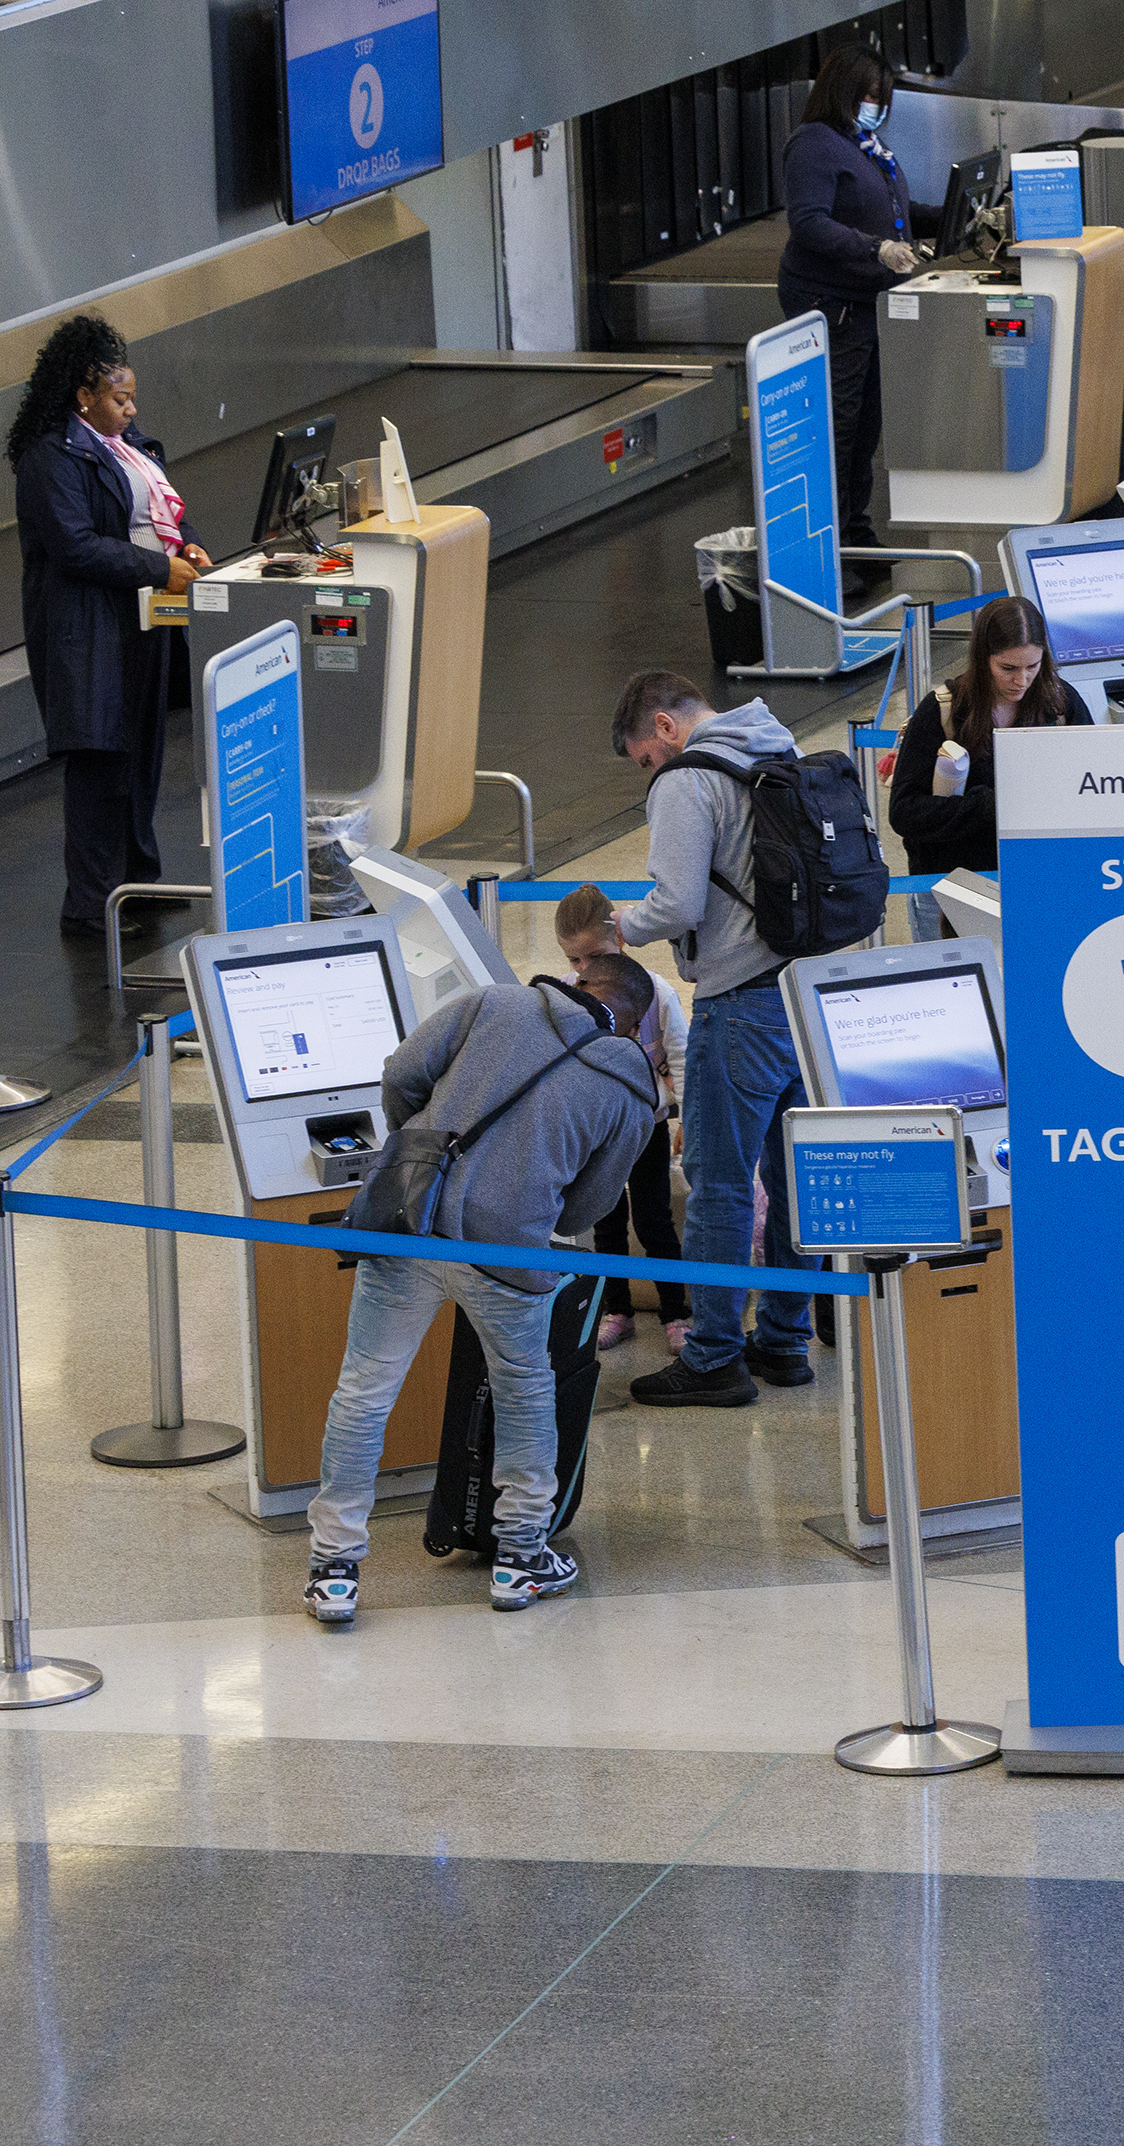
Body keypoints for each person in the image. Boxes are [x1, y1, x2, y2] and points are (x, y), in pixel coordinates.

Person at [301, 957, 664, 1623]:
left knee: (365, 1388)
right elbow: (589, 1206)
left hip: (409, 1227)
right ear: (637, 1023)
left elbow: (400, 1075)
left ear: (579, 981)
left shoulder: (494, 1002)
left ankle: (334, 1567)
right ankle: (520, 1556)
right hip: (506, 1248)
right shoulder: (633, 1085)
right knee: (524, 1389)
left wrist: (424, 1150)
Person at [607, 670, 827, 1406]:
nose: (650, 773)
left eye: (644, 759)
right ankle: (785, 1342)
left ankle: (712, 1355)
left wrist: (619, 928)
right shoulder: (777, 741)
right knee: (795, 1179)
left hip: (741, 1003)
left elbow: (678, 900)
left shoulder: (685, 780)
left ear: (666, 729)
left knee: (722, 1184)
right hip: (813, 993)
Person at [8, 315, 213, 939]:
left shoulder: (130, 448)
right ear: (84, 397)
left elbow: (165, 513)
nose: (130, 410)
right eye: (119, 399)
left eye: (132, 398)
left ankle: (138, 883)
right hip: (84, 631)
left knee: (142, 754)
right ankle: (92, 903)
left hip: (141, 620)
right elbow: (75, 546)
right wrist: (161, 567)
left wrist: (192, 551)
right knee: (99, 761)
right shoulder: (49, 459)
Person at [775, 43, 924, 598]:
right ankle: (827, 548)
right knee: (836, 431)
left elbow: (889, 209)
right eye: (868, 97)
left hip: (867, 306)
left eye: (882, 100)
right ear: (843, 92)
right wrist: (877, 248)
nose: (876, 108)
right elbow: (809, 224)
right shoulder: (814, 145)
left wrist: (946, 216)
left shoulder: (866, 146)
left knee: (864, 430)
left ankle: (856, 532)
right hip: (830, 309)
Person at [888, 592, 1087, 920]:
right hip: (949, 889)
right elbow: (905, 812)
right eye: (1007, 667)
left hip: (1039, 883)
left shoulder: (1061, 704)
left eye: (1032, 666)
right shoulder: (942, 710)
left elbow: (1091, 788)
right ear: (983, 659)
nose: (1020, 680)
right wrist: (983, 805)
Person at [556, 884, 687, 1353]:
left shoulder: (659, 993)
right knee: (605, 1223)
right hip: (596, 1135)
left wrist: (685, 1117)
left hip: (646, 1127)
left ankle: (677, 1312)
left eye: (595, 955)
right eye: (575, 961)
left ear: (623, 943)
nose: (586, 970)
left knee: (654, 1221)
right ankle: (617, 1309)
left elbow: (682, 1057)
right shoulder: (569, 998)